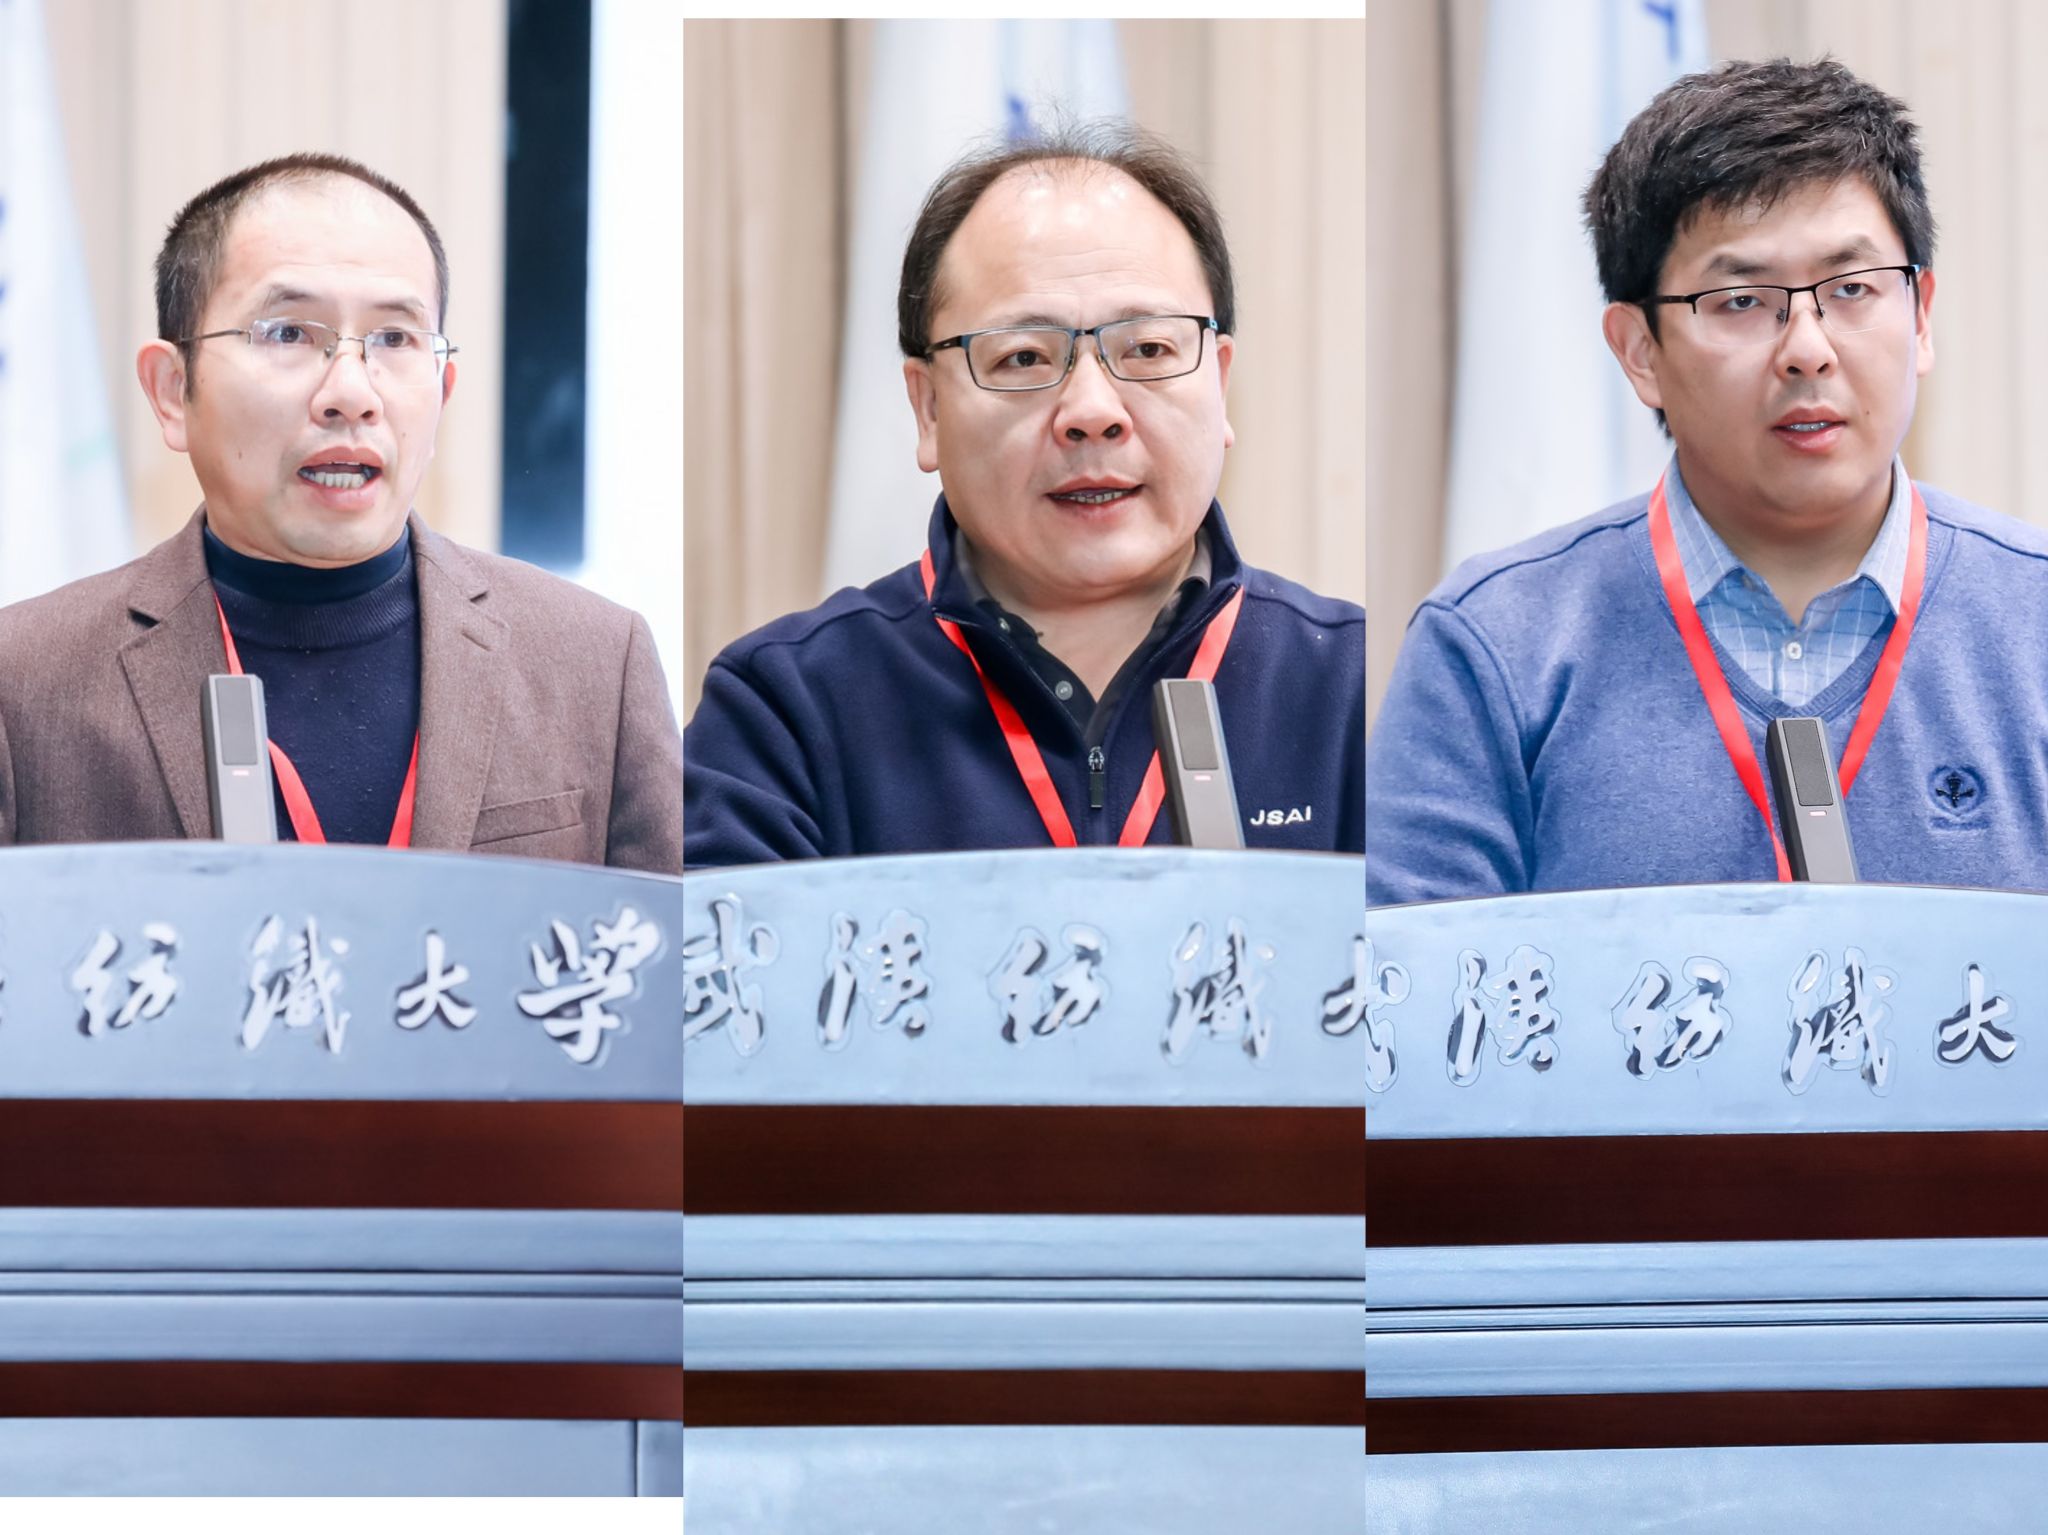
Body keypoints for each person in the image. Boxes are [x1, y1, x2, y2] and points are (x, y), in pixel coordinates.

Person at [1369, 58, 2048, 905]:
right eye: (1742, 301)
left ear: (1920, 316)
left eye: (1851, 288)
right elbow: (1423, 982)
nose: (1808, 348)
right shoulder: (1495, 647)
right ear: (1639, 351)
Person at [684, 124, 1364, 866]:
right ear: (929, 409)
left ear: (1220, 382)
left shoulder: (1355, 686)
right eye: (1024, 357)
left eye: (1148, 349)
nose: (1093, 411)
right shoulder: (784, 709)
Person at [0, 154, 681, 871]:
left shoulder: (599, 662)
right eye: (288, 333)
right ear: (174, 391)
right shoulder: (23, 679)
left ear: (442, 391)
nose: (352, 394)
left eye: (394, 339)